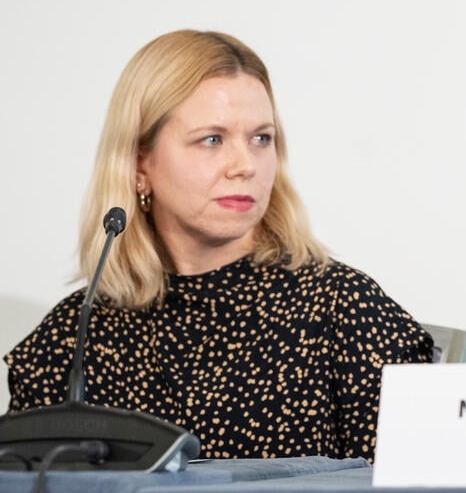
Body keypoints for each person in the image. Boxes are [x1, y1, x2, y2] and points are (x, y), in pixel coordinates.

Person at [5, 30, 432, 461]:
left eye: (261, 139)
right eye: (212, 139)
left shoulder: (342, 308)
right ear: (139, 164)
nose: (244, 165)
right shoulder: (72, 339)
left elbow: (417, 479)